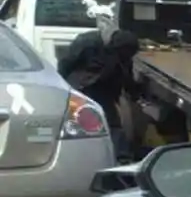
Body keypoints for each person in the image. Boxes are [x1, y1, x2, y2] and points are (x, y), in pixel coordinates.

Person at [58, 12, 141, 162]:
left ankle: (121, 158)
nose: (125, 57)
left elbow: (126, 75)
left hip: (105, 89)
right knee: (80, 122)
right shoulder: (87, 42)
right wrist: (61, 86)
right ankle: (79, 154)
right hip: (83, 87)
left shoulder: (123, 53)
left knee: (111, 124)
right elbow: (66, 64)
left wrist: (135, 93)